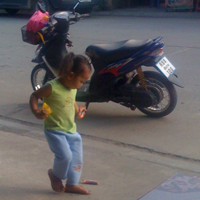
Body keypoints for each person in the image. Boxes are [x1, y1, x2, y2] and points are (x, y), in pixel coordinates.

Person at [29, 52, 92, 194]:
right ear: (70, 75)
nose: (82, 84)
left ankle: (72, 184)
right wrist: (35, 111)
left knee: (76, 158)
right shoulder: (52, 87)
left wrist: (78, 111)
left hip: (71, 130)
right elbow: (34, 95)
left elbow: (71, 100)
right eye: (82, 80)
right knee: (65, 156)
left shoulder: (72, 87)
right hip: (54, 130)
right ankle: (55, 175)